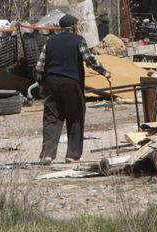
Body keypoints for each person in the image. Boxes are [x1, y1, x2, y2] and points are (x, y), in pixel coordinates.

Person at [35, 14, 109, 164]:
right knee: (75, 117)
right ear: (74, 27)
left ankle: (47, 155)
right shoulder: (79, 40)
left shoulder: (49, 42)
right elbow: (89, 60)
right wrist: (104, 72)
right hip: (71, 83)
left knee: (51, 118)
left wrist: (41, 83)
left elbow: (39, 66)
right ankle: (72, 155)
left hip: (51, 82)